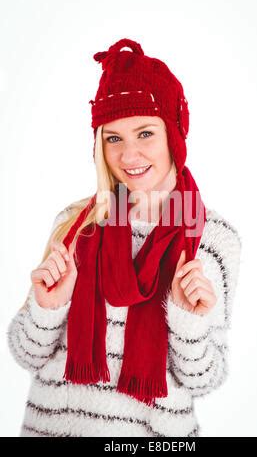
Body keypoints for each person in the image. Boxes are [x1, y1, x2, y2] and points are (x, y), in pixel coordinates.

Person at [7, 38, 242, 437]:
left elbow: (205, 380)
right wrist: (47, 308)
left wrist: (187, 319)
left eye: (145, 133)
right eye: (113, 138)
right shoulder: (75, 224)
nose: (129, 156)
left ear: (174, 133)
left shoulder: (214, 240)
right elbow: (26, 353)